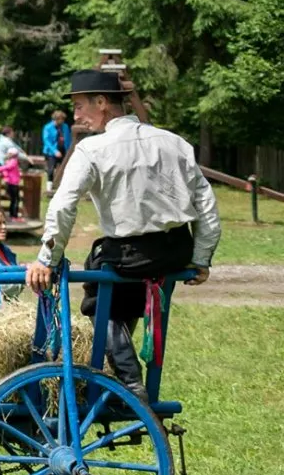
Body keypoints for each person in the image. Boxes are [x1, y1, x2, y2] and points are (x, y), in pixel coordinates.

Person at [28, 69, 221, 392]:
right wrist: (201, 259)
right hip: (176, 251)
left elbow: (63, 205)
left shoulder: (92, 149)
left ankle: (129, 382)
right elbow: (207, 206)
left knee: (96, 286)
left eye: (79, 106)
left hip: (131, 254)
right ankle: (120, 368)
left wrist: (46, 260)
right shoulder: (174, 142)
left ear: (102, 102)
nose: (76, 116)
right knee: (117, 285)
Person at [40, 108, 72, 180]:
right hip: (51, 151)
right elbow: (46, 141)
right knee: (51, 170)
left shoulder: (65, 126)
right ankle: (49, 186)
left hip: (63, 149)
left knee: (65, 169)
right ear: (55, 119)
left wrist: (69, 150)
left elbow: (68, 139)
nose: (62, 121)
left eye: (63, 119)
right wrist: (55, 151)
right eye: (61, 119)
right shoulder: (47, 127)